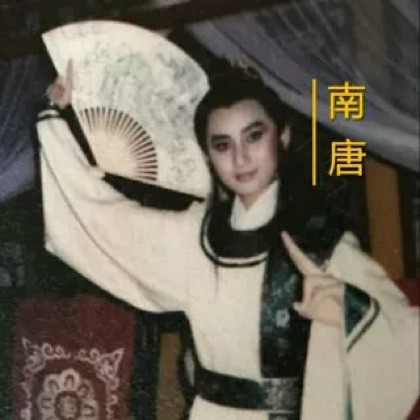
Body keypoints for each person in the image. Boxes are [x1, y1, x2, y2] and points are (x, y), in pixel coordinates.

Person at [37, 61, 418, 420]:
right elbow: (103, 222)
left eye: (254, 136)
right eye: (222, 145)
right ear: (207, 156)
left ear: (282, 136)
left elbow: (407, 338)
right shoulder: (194, 238)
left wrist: (349, 311)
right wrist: (57, 120)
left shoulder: (321, 242)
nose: (240, 158)